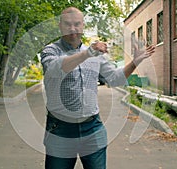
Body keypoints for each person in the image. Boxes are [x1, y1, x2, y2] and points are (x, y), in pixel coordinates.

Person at [40, 7, 155, 169]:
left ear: (83, 25)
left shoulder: (94, 54)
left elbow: (115, 79)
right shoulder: (50, 51)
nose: (73, 28)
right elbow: (55, 69)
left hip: (92, 128)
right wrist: (87, 53)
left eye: (77, 24)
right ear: (60, 26)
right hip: (60, 129)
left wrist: (135, 62)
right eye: (67, 24)